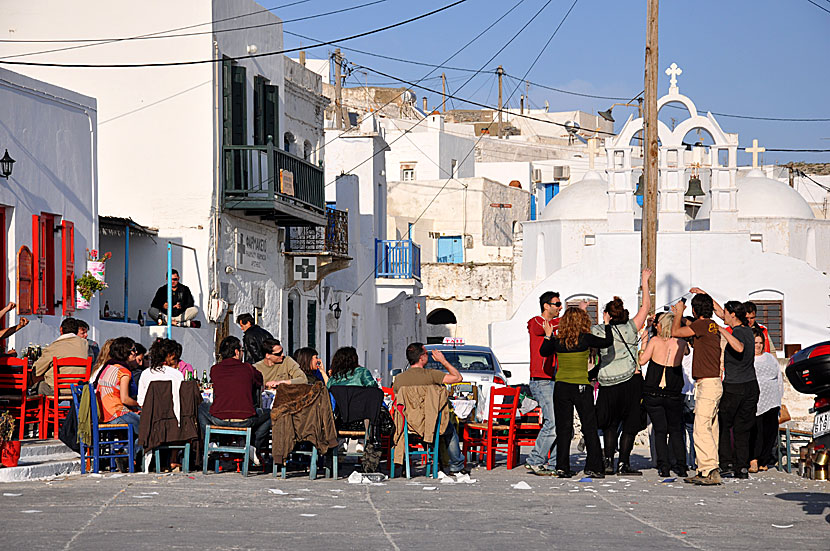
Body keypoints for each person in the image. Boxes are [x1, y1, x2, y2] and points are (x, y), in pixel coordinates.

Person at [591, 269, 652, 476]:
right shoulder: (631, 327)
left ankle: (608, 461)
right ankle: (624, 463)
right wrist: (644, 281)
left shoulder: (598, 330)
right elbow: (646, 307)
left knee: (610, 423)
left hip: (608, 383)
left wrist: (583, 310)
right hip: (632, 382)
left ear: (607, 314)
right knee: (629, 424)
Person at [541, 307, 613, 478]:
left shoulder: (558, 340)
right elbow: (607, 341)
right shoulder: (586, 338)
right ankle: (595, 466)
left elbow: (543, 352)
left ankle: (562, 467)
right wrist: (607, 323)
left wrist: (547, 334)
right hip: (581, 386)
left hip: (562, 387)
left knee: (563, 428)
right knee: (589, 427)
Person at [672, 294, 724, 486]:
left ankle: (709, 469)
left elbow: (676, 331)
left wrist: (678, 313)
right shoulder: (711, 326)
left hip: (707, 384)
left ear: (695, 310)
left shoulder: (701, 326)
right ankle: (705, 469)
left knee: (700, 428)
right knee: (711, 428)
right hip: (713, 383)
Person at [394, 342, 467, 476]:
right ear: (422, 358)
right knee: (449, 429)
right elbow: (458, 377)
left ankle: (404, 464)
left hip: (407, 426)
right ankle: (456, 465)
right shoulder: (432, 375)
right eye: (426, 354)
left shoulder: (399, 379)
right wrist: (443, 360)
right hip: (430, 426)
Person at [197, 336, 272, 457]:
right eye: (242, 350)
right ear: (237, 352)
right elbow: (259, 381)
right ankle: (253, 446)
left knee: (202, 408)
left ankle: (211, 441)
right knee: (270, 414)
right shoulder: (248, 368)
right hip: (244, 419)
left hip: (219, 419)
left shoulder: (215, 369)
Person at [639, 312, 688, 477]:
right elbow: (687, 352)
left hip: (654, 390)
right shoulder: (681, 343)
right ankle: (681, 466)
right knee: (675, 430)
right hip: (673, 391)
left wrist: (644, 341)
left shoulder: (654, 341)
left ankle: (664, 466)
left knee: (660, 430)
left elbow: (642, 360)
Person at [717, 301, 759, 479]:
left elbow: (739, 347)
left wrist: (722, 331)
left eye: (726, 313)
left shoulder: (739, 332)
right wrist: (704, 294)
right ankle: (741, 466)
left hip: (736, 386)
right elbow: (719, 312)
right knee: (742, 428)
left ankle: (726, 463)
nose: (723, 315)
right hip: (750, 385)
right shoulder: (748, 329)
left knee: (725, 424)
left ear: (733, 315)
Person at [524, 291, 562, 476]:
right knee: (552, 422)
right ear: (546, 305)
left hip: (553, 379)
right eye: (557, 304)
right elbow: (543, 328)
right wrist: (569, 319)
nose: (559, 307)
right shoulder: (535, 322)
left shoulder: (554, 326)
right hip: (541, 380)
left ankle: (554, 463)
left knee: (559, 422)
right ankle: (535, 460)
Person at [748, 328, 784, 473]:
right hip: (755, 400)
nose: (758, 346)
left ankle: (764, 460)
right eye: (755, 342)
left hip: (772, 400)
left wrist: (779, 398)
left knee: (770, 432)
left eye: (760, 343)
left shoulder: (770, 358)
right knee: (756, 432)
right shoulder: (748, 359)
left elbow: (779, 378)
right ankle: (753, 459)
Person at [32, 317, 89, 396]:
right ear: (76, 331)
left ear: (61, 330)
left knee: (40, 386)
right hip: (79, 388)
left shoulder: (54, 347)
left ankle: (46, 408)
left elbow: (37, 370)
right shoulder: (84, 344)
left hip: (58, 390)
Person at [96, 337, 140, 436]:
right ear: (125, 352)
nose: (135, 352)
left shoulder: (108, 367)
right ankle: (136, 451)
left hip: (103, 413)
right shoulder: (123, 371)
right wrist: (140, 403)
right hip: (115, 414)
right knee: (147, 427)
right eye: (133, 350)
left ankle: (127, 448)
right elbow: (125, 399)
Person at [138, 339, 185, 422]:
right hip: (174, 422)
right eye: (175, 359)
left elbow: (141, 402)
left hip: (150, 422)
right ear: (170, 355)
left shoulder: (145, 373)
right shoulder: (177, 375)